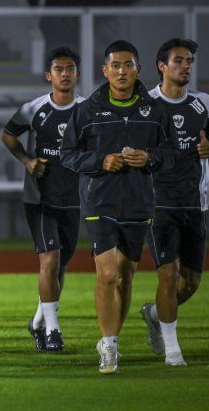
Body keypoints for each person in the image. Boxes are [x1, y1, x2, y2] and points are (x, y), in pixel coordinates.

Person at [60, 40, 174, 374]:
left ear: (138, 69)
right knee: (107, 274)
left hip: (138, 202)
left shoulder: (154, 110)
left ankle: (112, 338)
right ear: (105, 70)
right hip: (99, 201)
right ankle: (109, 347)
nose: (122, 71)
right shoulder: (88, 110)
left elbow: (170, 154)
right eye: (115, 65)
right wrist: (101, 160)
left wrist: (149, 158)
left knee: (125, 277)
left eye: (128, 65)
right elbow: (68, 155)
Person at [140, 38, 209, 366]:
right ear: (162, 66)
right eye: (179, 60)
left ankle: (153, 313)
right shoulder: (145, 104)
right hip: (158, 203)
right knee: (170, 274)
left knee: (190, 283)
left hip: (195, 204)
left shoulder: (203, 103)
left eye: (189, 60)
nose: (186, 66)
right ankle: (173, 350)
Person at [1, 47, 84, 351]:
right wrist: (27, 161)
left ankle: (37, 322)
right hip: (40, 198)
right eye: (59, 69)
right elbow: (8, 136)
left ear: (78, 74)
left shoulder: (87, 110)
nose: (65, 74)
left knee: (61, 266)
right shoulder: (33, 109)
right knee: (49, 260)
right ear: (49, 75)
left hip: (73, 199)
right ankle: (52, 331)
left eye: (70, 68)